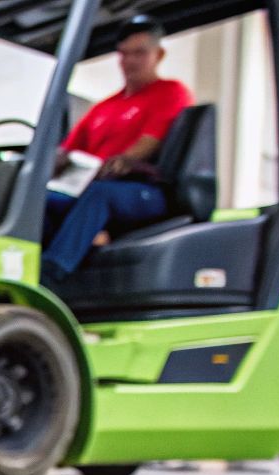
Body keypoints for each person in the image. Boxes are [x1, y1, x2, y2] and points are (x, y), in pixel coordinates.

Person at [41, 15, 193, 282]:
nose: (130, 61)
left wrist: (120, 162)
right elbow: (68, 149)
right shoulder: (103, 107)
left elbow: (148, 143)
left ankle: (52, 272)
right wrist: (49, 163)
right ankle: (28, 265)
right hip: (90, 186)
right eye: (124, 54)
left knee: (100, 194)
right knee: (43, 201)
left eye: (139, 53)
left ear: (159, 54)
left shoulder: (170, 92)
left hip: (144, 191)